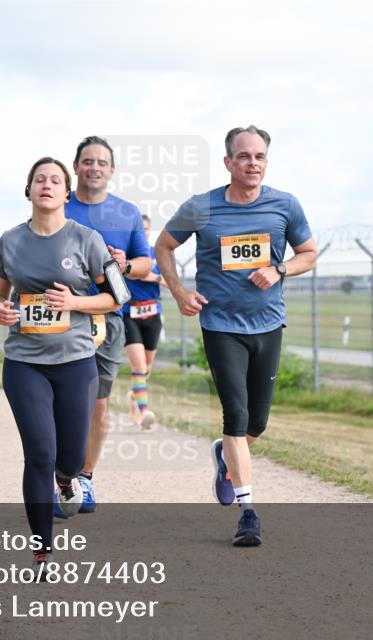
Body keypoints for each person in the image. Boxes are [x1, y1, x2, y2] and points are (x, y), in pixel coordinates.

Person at [155, 125, 318, 547]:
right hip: (220, 325)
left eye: (259, 156)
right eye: (243, 156)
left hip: (268, 324)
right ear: (228, 162)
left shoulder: (284, 205)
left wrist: (279, 269)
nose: (252, 163)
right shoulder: (202, 207)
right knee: (236, 413)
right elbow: (163, 246)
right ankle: (248, 512)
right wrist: (178, 292)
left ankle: (225, 457)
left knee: (256, 424)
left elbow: (309, 254)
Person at [0, 157, 118, 570]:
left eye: (55, 180)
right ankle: (42, 549)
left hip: (77, 362)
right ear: (29, 191)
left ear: (67, 192)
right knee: (39, 452)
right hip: (25, 362)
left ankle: (67, 481)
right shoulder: (10, 241)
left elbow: (117, 297)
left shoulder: (87, 239)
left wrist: (74, 302)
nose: (47, 184)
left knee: (70, 459)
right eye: (39, 179)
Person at [64, 135, 152, 514]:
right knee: (62, 405)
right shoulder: (58, 206)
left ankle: (85, 477)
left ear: (112, 170)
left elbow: (145, 264)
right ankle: (61, 478)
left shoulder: (127, 212)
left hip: (108, 320)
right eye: (88, 161)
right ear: (76, 166)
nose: (94, 167)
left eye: (101, 162)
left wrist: (125, 264)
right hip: (62, 318)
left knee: (99, 408)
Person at [123, 214, 164, 429]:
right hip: (129, 315)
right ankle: (145, 411)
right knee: (139, 366)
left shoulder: (156, 254)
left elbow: (171, 281)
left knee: (146, 368)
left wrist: (154, 277)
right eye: (140, 230)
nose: (144, 233)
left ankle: (134, 398)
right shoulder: (124, 256)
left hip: (153, 315)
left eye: (146, 229)